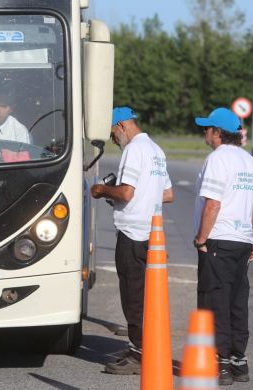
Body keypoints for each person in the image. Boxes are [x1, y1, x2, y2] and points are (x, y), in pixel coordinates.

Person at [90, 106, 174, 375]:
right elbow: (168, 193)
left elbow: (126, 193)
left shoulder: (134, 150)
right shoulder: (156, 151)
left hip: (132, 233)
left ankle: (139, 354)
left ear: (122, 126)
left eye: (113, 134)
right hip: (153, 234)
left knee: (133, 296)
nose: (114, 140)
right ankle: (145, 347)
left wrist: (103, 189)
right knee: (149, 295)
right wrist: (143, 197)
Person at [193, 107, 253, 386]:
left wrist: (201, 238)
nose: (204, 133)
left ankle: (220, 362)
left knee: (215, 300)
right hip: (243, 239)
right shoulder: (249, 161)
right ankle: (239, 360)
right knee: (237, 301)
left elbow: (213, 204)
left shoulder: (217, 159)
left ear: (218, 133)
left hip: (218, 239)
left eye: (207, 129)